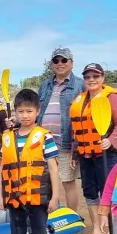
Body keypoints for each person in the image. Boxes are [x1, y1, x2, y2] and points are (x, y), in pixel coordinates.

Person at [69, 63, 117, 234]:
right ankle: (97, 230)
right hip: (85, 153)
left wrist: (111, 139)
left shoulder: (110, 97)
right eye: (87, 77)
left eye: (95, 76)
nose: (91, 80)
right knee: (90, 192)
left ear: (102, 78)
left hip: (105, 153)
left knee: (108, 192)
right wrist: (73, 153)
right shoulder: (81, 99)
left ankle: (112, 232)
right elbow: (76, 131)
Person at [0, 89, 60, 234]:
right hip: (15, 197)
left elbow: (53, 169)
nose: (25, 115)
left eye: (29, 111)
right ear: (16, 113)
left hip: (37, 198)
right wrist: (1, 196)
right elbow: (2, 169)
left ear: (38, 111)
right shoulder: (8, 138)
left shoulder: (45, 137)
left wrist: (55, 197)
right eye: (21, 111)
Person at [37, 47, 86, 213]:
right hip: (43, 143)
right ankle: (50, 215)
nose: (60, 64)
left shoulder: (80, 85)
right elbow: (37, 111)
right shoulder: (45, 85)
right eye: (56, 61)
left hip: (67, 144)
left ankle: (72, 216)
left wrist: (77, 147)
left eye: (64, 60)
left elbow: (86, 115)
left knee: (67, 182)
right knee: (46, 181)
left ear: (71, 63)